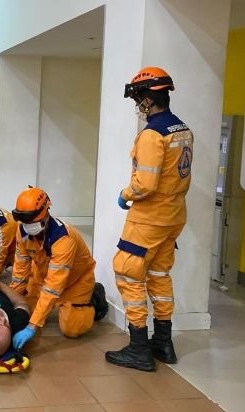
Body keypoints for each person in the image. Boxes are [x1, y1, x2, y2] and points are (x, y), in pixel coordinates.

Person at [105, 67, 193, 372]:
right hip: (173, 217)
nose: (137, 106)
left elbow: (145, 183)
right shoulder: (182, 129)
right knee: (158, 275)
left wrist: (125, 193)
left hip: (149, 218)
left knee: (127, 273)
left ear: (146, 100)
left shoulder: (152, 135)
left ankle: (139, 347)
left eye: (138, 100)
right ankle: (163, 343)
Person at [9, 187, 108, 350]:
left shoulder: (63, 239)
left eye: (30, 220)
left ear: (45, 213)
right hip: (42, 278)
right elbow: (20, 273)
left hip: (75, 282)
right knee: (23, 310)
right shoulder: (23, 232)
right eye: (23, 220)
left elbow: (54, 286)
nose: (26, 225)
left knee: (72, 328)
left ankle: (95, 298)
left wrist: (32, 326)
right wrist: (11, 301)